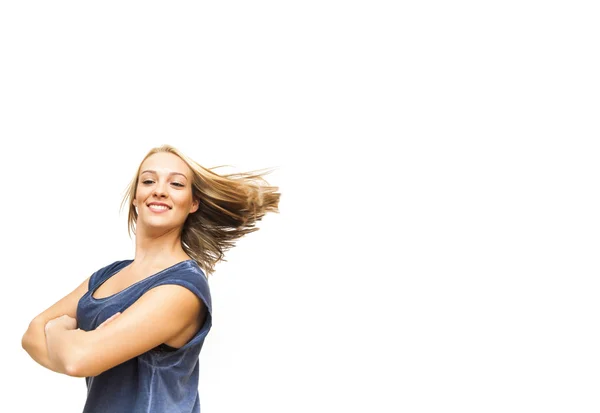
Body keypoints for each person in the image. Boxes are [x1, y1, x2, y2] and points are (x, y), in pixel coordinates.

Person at [21, 144, 281, 413]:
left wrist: (59, 330)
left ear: (193, 203)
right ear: (135, 197)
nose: (159, 190)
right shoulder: (106, 276)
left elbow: (77, 359)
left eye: (176, 184)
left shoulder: (184, 288)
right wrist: (76, 347)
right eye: (148, 180)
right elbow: (31, 334)